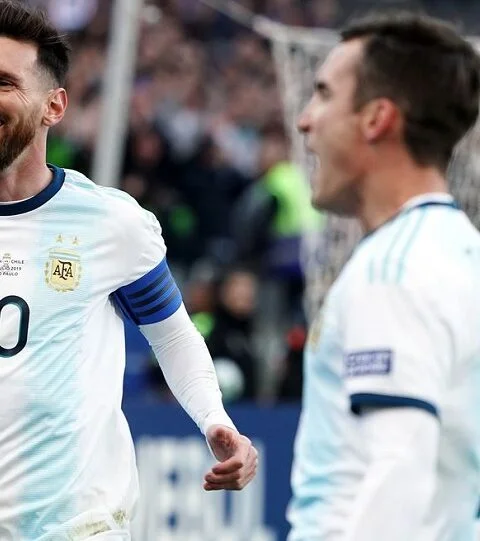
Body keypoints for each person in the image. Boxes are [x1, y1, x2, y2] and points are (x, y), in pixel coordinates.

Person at [0, 2, 257, 540]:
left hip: (71, 527)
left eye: (4, 83)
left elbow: (173, 335)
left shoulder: (109, 223)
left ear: (53, 106)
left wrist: (215, 419)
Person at [287, 11, 480, 541]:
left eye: (323, 94)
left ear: (377, 119)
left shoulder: (394, 271)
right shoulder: (460, 253)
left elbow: (399, 469)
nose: (305, 120)